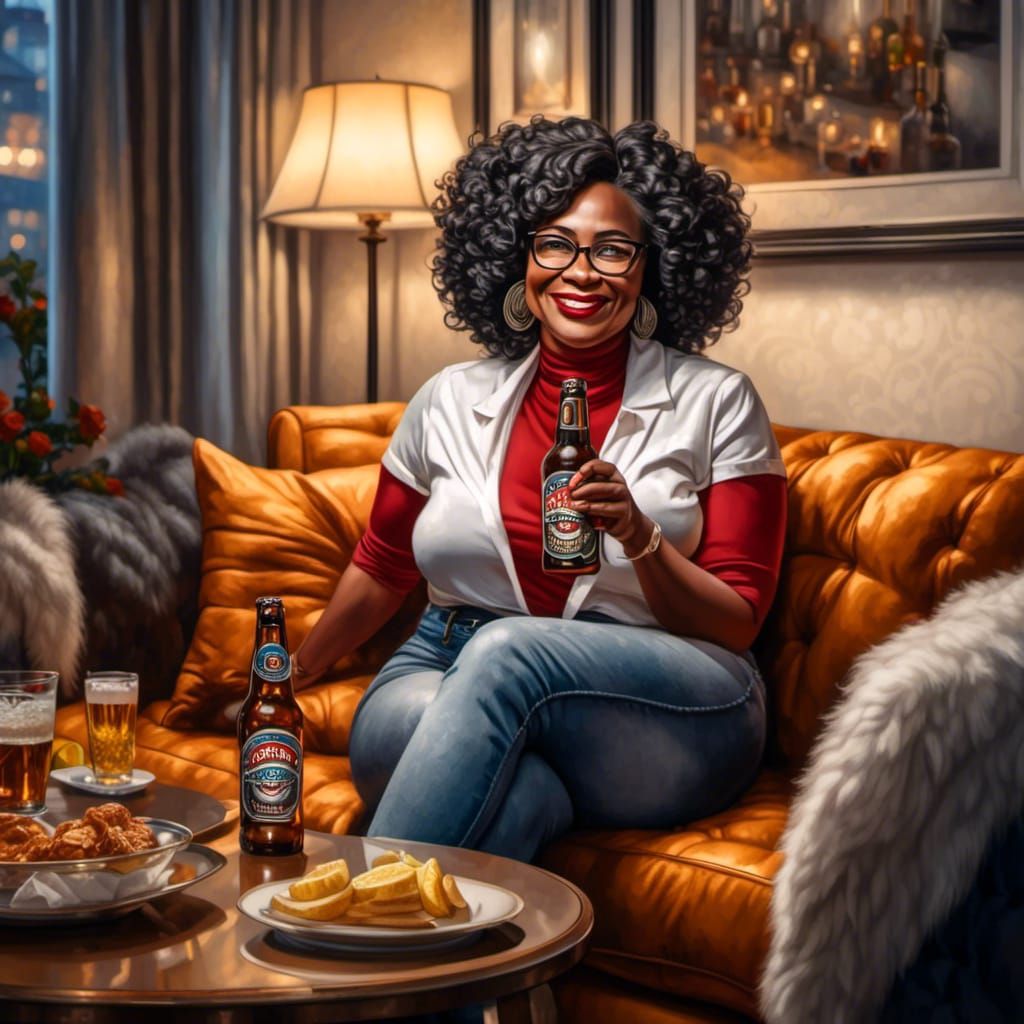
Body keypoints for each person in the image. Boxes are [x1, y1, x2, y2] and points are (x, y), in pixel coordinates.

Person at [292, 115, 787, 865]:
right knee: (511, 789)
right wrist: (285, 678)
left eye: (613, 250)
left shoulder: (719, 401)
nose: (581, 273)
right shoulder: (449, 398)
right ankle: (484, 978)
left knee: (507, 653)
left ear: (652, 266)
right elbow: (382, 565)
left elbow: (738, 622)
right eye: (554, 244)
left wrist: (640, 536)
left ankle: (353, 934)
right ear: (517, 258)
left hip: (670, 700)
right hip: (441, 665)